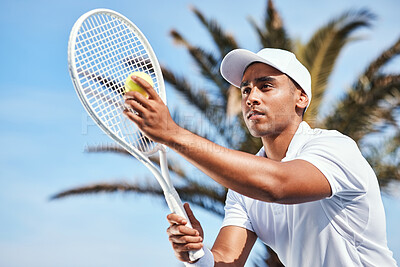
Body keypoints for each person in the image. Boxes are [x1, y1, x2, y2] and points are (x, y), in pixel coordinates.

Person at [123, 48, 397, 266]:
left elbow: (277, 185)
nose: (251, 97)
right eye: (245, 89)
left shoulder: (336, 147)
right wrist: (195, 255)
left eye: (265, 86)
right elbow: (224, 262)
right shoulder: (243, 190)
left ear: (301, 98)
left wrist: (173, 134)